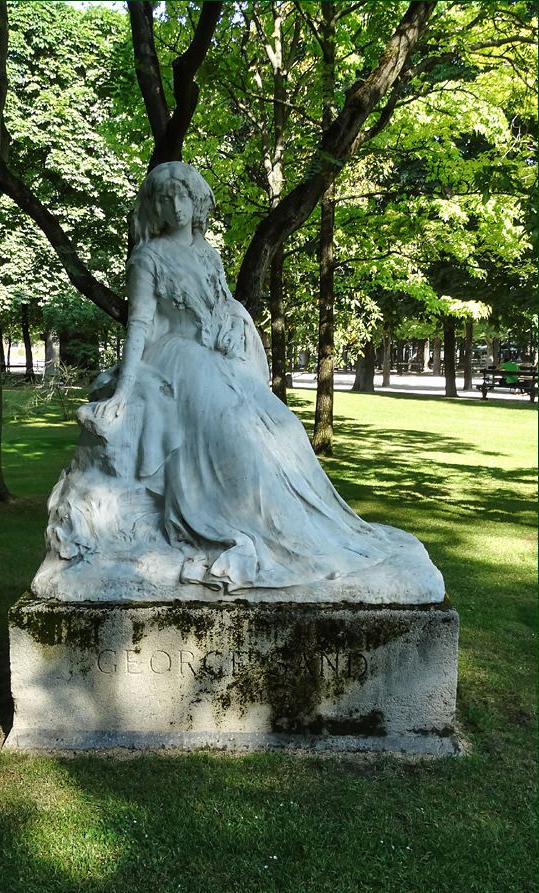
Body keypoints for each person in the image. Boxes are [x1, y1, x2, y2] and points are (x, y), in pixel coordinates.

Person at [33, 162, 443, 602]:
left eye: (183, 196)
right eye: (166, 199)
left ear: (196, 202)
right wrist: (125, 390)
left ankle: (299, 528)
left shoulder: (208, 255)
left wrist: (232, 325)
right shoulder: (147, 258)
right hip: (175, 361)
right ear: (155, 207)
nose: (176, 206)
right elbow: (140, 325)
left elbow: (224, 304)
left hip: (218, 359)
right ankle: (243, 524)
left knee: (281, 427)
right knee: (234, 429)